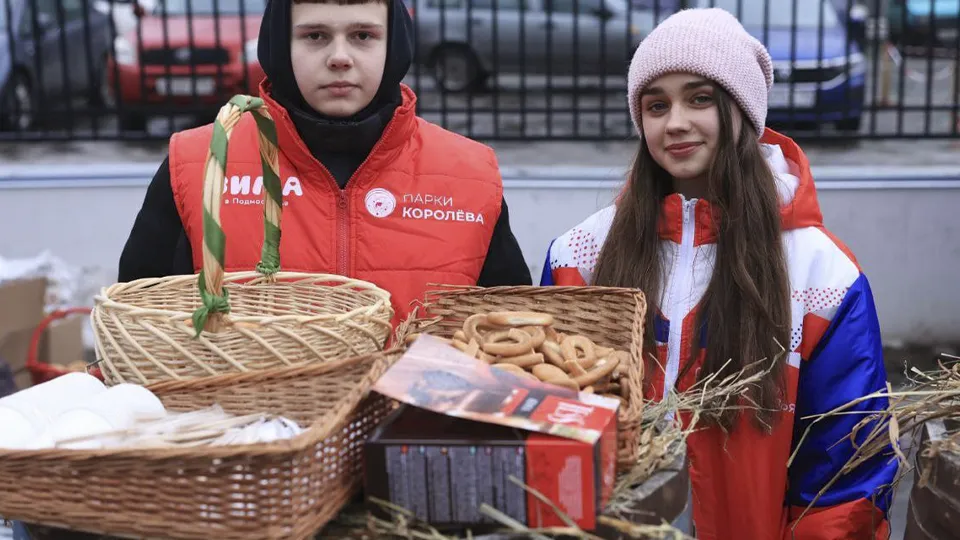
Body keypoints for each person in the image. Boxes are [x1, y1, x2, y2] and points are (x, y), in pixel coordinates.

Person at [541, 8, 897, 540]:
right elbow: (550, 425)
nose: (675, 122)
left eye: (700, 98)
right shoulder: (580, 255)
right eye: (656, 104)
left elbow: (846, 476)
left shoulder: (821, 274)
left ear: (743, 109)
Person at [117, 0, 531, 325]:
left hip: (414, 432)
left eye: (363, 35)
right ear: (280, 45)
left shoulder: (469, 174)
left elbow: (514, 339)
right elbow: (139, 330)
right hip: (248, 430)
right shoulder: (198, 164)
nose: (339, 57)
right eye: (315, 36)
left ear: (395, 44)